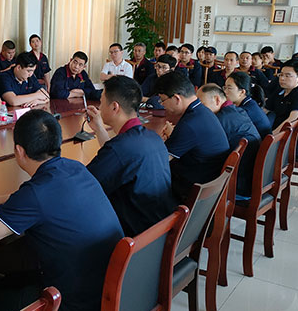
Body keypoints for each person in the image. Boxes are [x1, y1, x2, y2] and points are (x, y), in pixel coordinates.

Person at [0, 110, 123, 311]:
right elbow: (43, 196)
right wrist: (3, 201)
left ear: (19, 151)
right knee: (9, 282)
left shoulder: (36, 195)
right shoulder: (75, 168)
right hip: (104, 302)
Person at [85, 76, 175, 236]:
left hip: (133, 236)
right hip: (159, 230)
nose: (99, 106)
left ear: (114, 107)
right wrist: (99, 128)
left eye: (101, 102)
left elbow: (85, 186)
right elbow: (117, 158)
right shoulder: (153, 137)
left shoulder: (120, 148)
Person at [154, 72, 229, 200]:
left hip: (194, 189)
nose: (162, 104)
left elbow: (161, 160)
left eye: (163, 100)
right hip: (208, 180)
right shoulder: (202, 111)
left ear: (177, 98)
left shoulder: (190, 124)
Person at [197, 83, 261, 197]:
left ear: (217, 100)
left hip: (236, 185)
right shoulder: (236, 110)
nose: (198, 109)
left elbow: (200, 145)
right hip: (248, 179)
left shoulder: (220, 120)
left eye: (201, 104)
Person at [267, 59, 298, 135]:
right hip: (277, 132)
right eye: (281, 75)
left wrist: (270, 136)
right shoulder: (280, 91)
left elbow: (292, 121)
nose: (282, 78)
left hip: (291, 137)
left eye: (287, 76)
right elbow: (266, 110)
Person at [223, 71, 271, 137]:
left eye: (229, 88)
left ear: (242, 92)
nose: (225, 91)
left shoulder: (243, 111)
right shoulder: (250, 102)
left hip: (258, 142)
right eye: (225, 87)